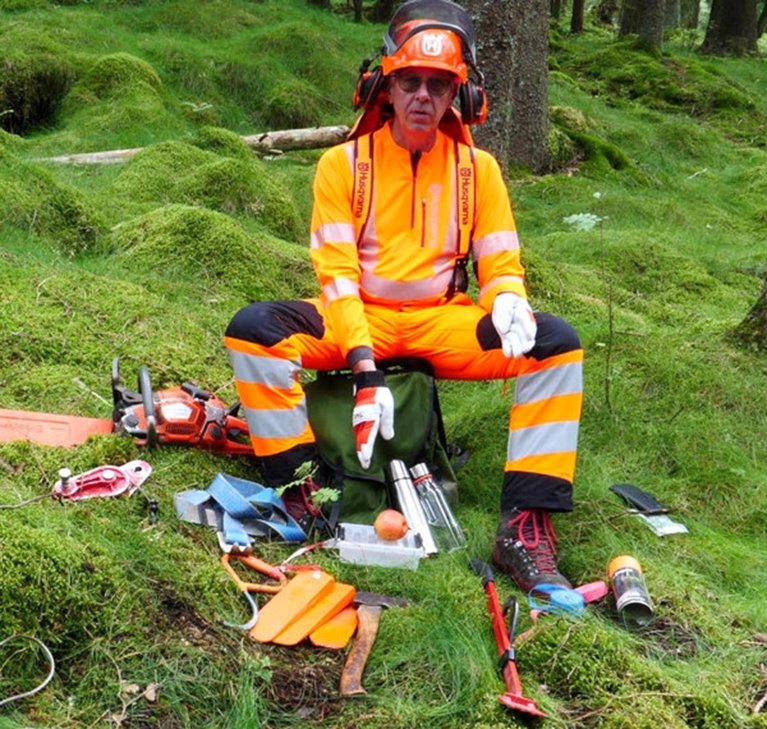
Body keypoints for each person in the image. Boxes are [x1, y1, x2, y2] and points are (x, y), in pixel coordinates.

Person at [224, 0, 583, 592]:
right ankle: (303, 495)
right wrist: (364, 368)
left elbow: (499, 259)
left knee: (557, 345)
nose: (423, 97)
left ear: (459, 98)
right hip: (356, 320)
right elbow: (336, 276)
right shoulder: (343, 164)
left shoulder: (479, 170)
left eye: (438, 85)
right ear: (384, 89)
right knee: (253, 330)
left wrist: (509, 299)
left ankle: (525, 526)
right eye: (410, 82)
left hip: (444, 322)